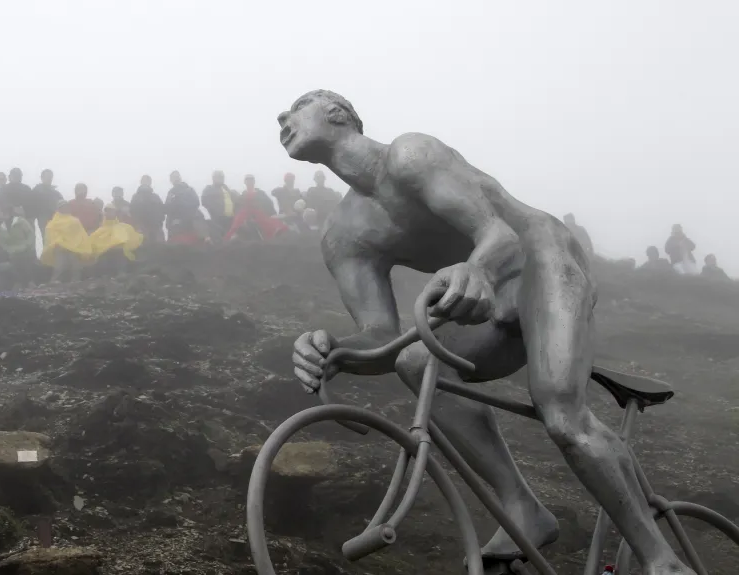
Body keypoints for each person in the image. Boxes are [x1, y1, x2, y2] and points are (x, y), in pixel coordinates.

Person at [279, 90, 694, 574]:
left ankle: (661, 560)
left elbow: (500, 233)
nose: (283, 118)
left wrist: (478, 270)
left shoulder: (410, 155)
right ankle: (522, 505)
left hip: (541, 258)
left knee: (561, 416)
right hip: (485, 291)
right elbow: (379, 337)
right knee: (413, 361)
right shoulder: (343, 235)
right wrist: (334, 350)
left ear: (337, 115)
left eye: (295, 106)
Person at [40, 200, 93, 283]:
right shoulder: (53, 223)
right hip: (59, 246)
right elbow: (50, 235)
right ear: (59, 209)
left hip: (74, 247)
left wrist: (75, 245)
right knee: (60, 264)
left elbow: (80, 235)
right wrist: (60, 243)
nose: (65, 208)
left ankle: (76, 280)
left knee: (75, 263)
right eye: (63, 207)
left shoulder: (75, 221)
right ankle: (55, 281)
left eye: (66, 206)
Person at [223, 175, 288, 242]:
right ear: (245, 182)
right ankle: (230, 236)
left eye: (251, 180)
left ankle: (274, 233)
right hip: (246, 215)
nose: (249, 182)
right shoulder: (242, 196)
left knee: (268, 221)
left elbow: (268, 204)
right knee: (237, 223)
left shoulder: (260, 193)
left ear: (254, 182)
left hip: (258, 214)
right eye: (248, 180)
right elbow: (237, 208)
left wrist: (272, 213)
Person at [90, 205, 144, 276]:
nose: (109, 213)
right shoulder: (100, 230)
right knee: (103, 257)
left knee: (119, 253)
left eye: (111, 211)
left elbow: (133, 239)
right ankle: (105, 276)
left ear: (115, 213)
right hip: (105, 256)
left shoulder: (124, 227)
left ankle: (121, 273)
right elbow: (93, 243)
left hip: (120, 254)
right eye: (107, 211)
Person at [0, 205, 37, 290]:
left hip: (25, 248)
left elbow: (30, 234)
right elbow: (2, 242)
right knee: (14, 261)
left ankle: (30, 282)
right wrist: (8, 250)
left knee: (24, 259)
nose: (0, 215)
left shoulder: (21, 221)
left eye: (1, 212)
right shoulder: (2, 227)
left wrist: (26, 245)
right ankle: (19, 282)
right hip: (12, 251)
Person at [165, 171, 204, 243]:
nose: (176, 179)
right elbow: (167, 209)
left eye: (177, 177)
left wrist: (180, 203)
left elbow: (196, 202)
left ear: (180, 178)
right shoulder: (170, 193)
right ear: (171, 180)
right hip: (175, 226)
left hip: (190, 224)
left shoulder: (189, 189)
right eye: (173, 178)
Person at [201, 170, 240, 239]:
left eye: (222, 177)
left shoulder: (227, 189)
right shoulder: (209, 189)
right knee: (221, 238)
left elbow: (235, 201)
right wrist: (215, 209)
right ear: (213, 178)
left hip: (231, 219)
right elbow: (204, 201)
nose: (220, 179)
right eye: (218, 177)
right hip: (218, 219)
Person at [130, 175, 166, 246]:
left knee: (160, 251)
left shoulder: (155, 197)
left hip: (156, 229)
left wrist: (159, 223)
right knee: (142, 251)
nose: (146, 183)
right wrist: (138, 226)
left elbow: (162, 211)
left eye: (147, 181)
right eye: (144, 181)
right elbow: (132, 212)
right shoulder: (136, 197)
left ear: (150, 183)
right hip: (141, 230)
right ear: (141, 182)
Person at [32, 169, 64, 235]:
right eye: (47, 177)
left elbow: (63, 203)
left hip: (56, 218)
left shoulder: (56, 193)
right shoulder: (36, 190)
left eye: (50, 177)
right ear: (42, 178)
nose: (49, 179)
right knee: (47, 238)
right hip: (43, 217)